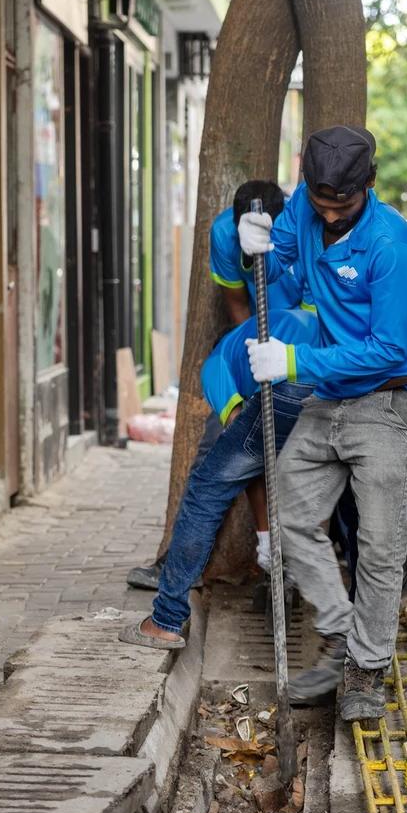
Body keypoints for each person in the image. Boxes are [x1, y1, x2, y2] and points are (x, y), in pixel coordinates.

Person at [239, 125, 407, 721]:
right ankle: (344, 635)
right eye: (319, 202)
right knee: (290, 516)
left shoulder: (391, 245)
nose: (327, 214)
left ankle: (365, 671)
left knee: (379, 545)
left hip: (387, 399)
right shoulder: (303, 207)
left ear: (367, 186)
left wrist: (294, 360)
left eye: (341, 205)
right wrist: (257, 252)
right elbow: (287, 272)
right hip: (330, 396)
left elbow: (388, 349)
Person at [125, 180, 295, 588]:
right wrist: (255, 358)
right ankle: (187, 569)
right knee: (228, 444)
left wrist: (293, 364)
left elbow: (317, 313)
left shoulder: (302, 231)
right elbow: (237, 305)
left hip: (308, 354)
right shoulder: (223, 233)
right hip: (257, 347)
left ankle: (300, 567)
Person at [118, 306, 320, 649]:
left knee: (205, 492)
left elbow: (244, 449)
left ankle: (166, 619)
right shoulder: (287, 320)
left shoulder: (216, 362)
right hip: (339, 377)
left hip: (290, 386)